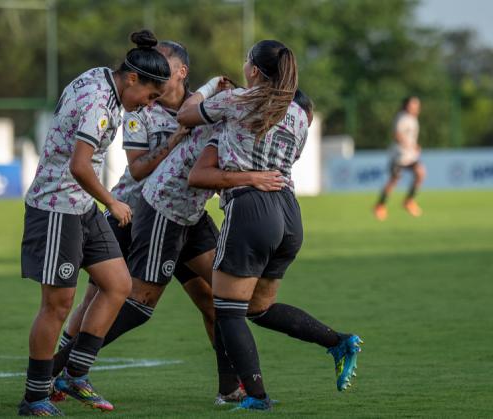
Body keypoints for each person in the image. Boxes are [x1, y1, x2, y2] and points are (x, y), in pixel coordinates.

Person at [52, 40, 284, 406]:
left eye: (165, 62)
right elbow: (138, 168)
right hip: (135, 211)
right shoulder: (141, 108)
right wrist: (177, 138)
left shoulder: (204, 105)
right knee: (101, 300)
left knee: (216, 299)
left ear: (182, 72)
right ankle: (56, 373)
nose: (156, 70)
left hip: (188, 215)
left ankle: (230, 388)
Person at [181, 40, 362, 411]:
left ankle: (257, 397)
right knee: (259, 308)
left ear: (255, 71)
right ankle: (337, 341)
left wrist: (211, 90)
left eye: (247, 59)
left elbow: (186, 116)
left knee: (227, 311)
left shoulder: (239, 100)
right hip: (289, 213)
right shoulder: (297, 114)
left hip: (252, 209)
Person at [18, 30, 170, 416]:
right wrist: (113, 202)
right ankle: (34, 397)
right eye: (150, 96)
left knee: (118, 285)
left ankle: (73, 374)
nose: (148, 105)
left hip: (81, 205)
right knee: (58, 305)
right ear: (132, 78)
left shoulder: (104, 76)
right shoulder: (98, 104)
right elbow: (79, 165)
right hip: (56, 207)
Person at [374, 96, 425, 220]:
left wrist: (414, 147)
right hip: (398, 155)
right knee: (394, 180)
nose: (417, 107)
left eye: (417, 105)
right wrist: (410, 145)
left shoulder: (413, 119)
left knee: (420, 173)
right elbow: (397, 134)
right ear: (407, 106)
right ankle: (380, 205)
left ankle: (408, 201)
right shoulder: (402, 117)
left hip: (410, 155)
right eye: (414, 105)